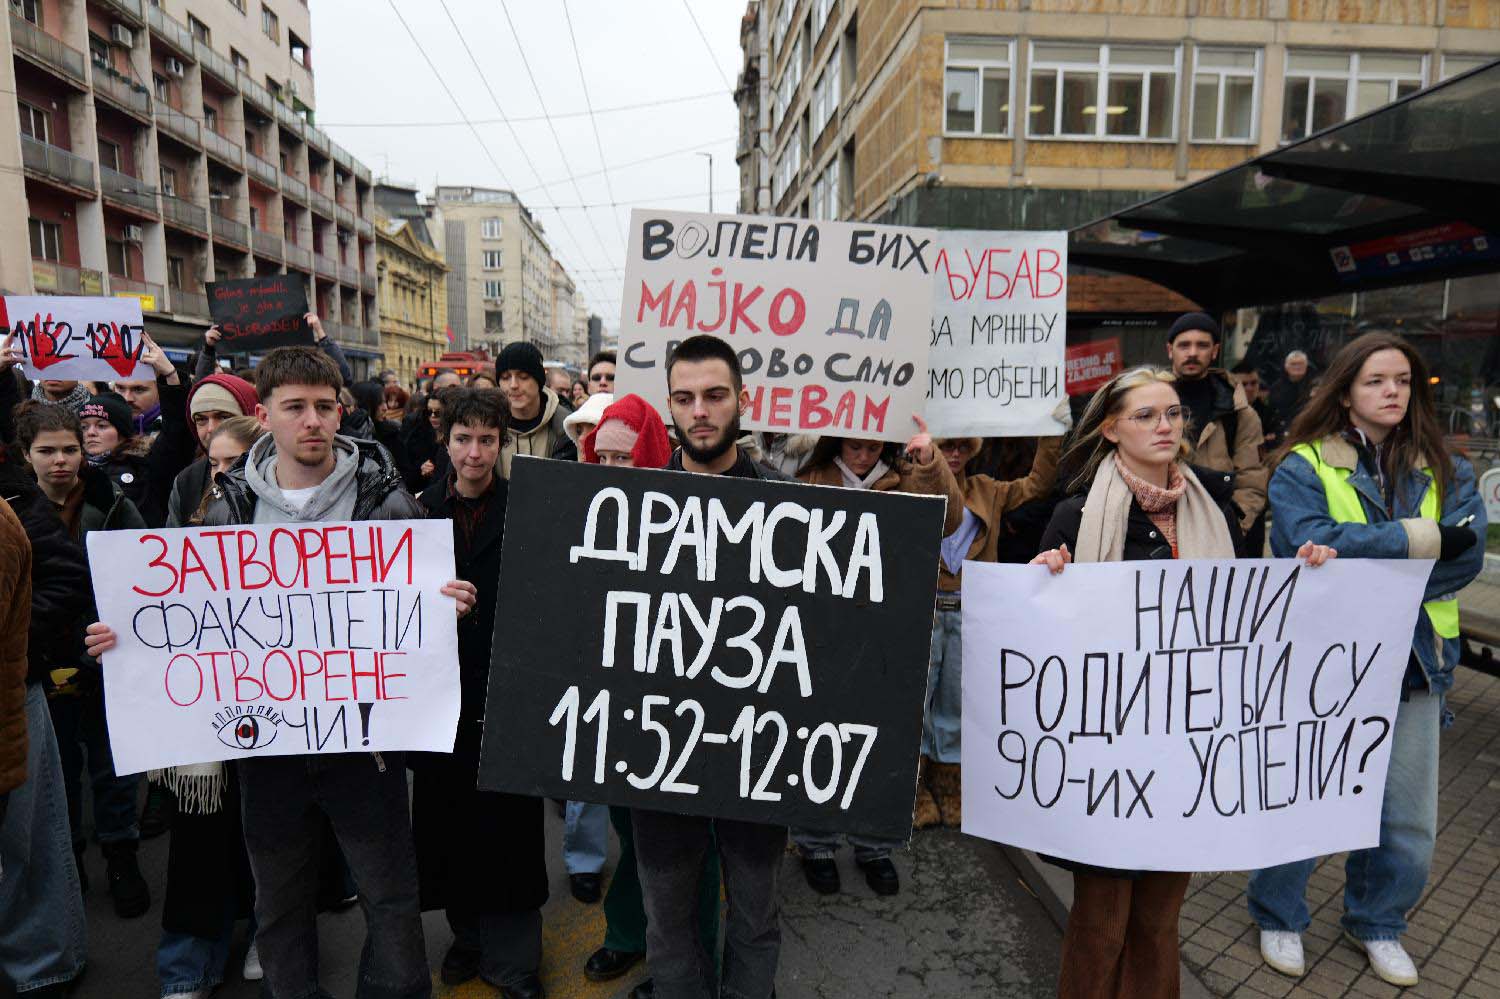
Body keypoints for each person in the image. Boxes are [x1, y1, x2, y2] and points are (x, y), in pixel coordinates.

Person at [84, 345, 479, 999]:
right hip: (265, 746)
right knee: (279, 904)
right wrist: (126, 635)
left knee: (390, 899)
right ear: (264, 415)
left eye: (325, 406)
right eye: (295, 407)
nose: (313, 421)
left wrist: (449, 605)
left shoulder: (387, 502)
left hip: (365, 746)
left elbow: (418, 609)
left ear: (340, 411)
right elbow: (190, 613)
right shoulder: (227, 506)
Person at [1031, 366, 1330, 999]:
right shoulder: (1077, 515)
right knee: (1102, 922)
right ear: (1110, 429)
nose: (1164, 426)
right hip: (1109, 759)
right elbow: (1045, 637)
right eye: (1145, 415)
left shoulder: (1214, 509)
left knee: (1160, 923)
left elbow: (1244, 612)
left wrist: (1310, 572)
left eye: (1172, 414)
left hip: (1187, 754)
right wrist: (1044, 577)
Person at [1248, 333, 1485, 989]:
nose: (1393, 391)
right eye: (1377, 379)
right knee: (1304, 796)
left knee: (1406, 818)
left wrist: (1362, 558)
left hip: (1416, 662)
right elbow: (1305, 541)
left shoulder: (1448, 466)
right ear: (1346, 388)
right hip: (1327, 661)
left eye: (1403, 380)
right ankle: (1278, 913)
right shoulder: (1304, 463)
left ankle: (1376, 923)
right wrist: (1418, 538)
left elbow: (1465, 555)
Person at [635, 333, 789, 999]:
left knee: (755, 914)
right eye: (686, 397)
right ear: (670, 404)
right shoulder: (631, 508)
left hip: (757, 753)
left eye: (715, 395)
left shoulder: (792, 505)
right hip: (657, 751)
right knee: (667, 920)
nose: (700, 410)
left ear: (741, 400)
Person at [789, 421, 963, 896]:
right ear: (836, 441)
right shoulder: (812, 479)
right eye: (855, 446)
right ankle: (816, 842)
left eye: (872, 446)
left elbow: (949, 520)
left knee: (882, 740)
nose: (864, 456)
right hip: (825, 630)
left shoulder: (907, 475)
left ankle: (873, 844)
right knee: (819, 735)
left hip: (890, 632)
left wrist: (929, 460)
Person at [415, 388, 547, 997]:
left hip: (506, 693)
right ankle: (467, 936)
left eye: (487, 440)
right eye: (463, 439)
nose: (474, 453)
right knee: (450, 825)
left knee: (510, 830)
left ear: (502, 443)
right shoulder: (415, 514)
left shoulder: (529, 509)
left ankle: (515, 958)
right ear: (446, 442)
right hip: (440, 701)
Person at [16, 402, 152, 918]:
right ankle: (67, 860)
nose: (60, 461)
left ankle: (121, 855)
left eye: (70, 449)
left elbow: (146, 566)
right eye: (46, 451)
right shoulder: (13, 513)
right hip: (42, 659)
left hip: (108, 657)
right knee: (58, 769)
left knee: (112, 765)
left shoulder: (110, 500)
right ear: (27, 455)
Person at [153, 417, 267, 999]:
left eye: (235, 464)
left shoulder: (286, 526)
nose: (221, 476)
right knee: (199, 838)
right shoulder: (188, 519)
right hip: (205, 707)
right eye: (213, 464)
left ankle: (263, 937)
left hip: (271, 705)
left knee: (266, 837)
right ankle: (189, 959)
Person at [920, 414, 1065, 829]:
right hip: (923, 612)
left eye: (962, 447)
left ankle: (949, 787)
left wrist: (1051, 430)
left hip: (969, 612)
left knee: (955, 702)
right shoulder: (912, 485)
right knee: (915, 703)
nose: (954, 454)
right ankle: (912, 790)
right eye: (947, 445)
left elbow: (1038, 484)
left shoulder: (988, 490)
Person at [0, 442, 92, 995]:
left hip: (14, 694)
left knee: (26, 845)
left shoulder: (8, 511)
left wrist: (24, 650)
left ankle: (45, 966)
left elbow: (64, 581)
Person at [1162, 312, 1267, 535]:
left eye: (1202, 345)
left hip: (1218, 533)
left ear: (1215, 351)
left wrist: (1231, 530)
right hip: (1158, 531)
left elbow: (1252, 482)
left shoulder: (1240, 413)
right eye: (1184, 345)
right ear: (1170, 350)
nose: (1192, 353)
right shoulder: (1146, 406)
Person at [163, 372, 259, 528]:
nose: (211, 429)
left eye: (223, 416)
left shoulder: (282, 476)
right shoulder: (187, 481)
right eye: (201, 419)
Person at [497, 342, 576, 477]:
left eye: (523, 377)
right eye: (505, 377)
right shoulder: (488, 423)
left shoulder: (566, 428)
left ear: (539, 381)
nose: (513, 385)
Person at [1268, 350, 1313, 433]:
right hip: (1282, 430)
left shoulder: (1315, 385)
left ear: (1306, 365)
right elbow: (1272, 412)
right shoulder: (1276, 388)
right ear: (1286, 366)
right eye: (1293, 364)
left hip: (1309, 428)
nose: (1297, 367)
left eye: (1300, 364)